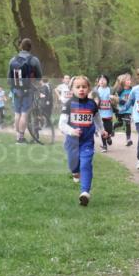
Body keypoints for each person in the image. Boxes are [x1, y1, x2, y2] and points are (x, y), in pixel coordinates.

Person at [58, 75, 108, 206]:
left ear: (89, 89)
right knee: (73, 166)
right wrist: (72, 131)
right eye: (78, 87)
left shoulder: (92, 104)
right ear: (72, 89)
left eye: (84, 87)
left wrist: (101, 130)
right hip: (72, 142)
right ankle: (75, 172)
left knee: (85, 164)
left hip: (87, 141)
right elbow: (61, 124)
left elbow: (97, 119)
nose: (81, 89)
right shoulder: (68, 104)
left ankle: (85, 192)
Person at [7, 37, 43, 144]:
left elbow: (9, 79)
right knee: (24, 113)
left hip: (16, 90)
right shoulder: (34, 60)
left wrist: (13, 88)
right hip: (28, 90)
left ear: (21, 46)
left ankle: (17, 136)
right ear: (30, 47)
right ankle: (22, 137)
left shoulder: (12, 60)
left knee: (17, 113)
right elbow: (39, 77)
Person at [94, 75, 115, 151]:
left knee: (108, 129)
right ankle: (104, 145)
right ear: (98, 82)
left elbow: (116, 99)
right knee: (102, 129)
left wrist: (113, 99)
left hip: (108, 113)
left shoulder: (111, 90)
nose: (102, 81)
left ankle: (108, 136)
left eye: (104, 79)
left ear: (107, 81)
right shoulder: (96, 90)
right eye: (100, 80)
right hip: (99, 113)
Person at [113, 74, 134, 146]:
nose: (130, 81)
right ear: (123, 81)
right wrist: (120, 101)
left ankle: (128, 139)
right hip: (120, 109)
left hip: (128, 110)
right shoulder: (119, 90)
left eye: (130, 80)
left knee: (128, 123)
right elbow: (115, 99)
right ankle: (113, 127)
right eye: (128, 80)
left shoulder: (132, 89)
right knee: (120, 123)